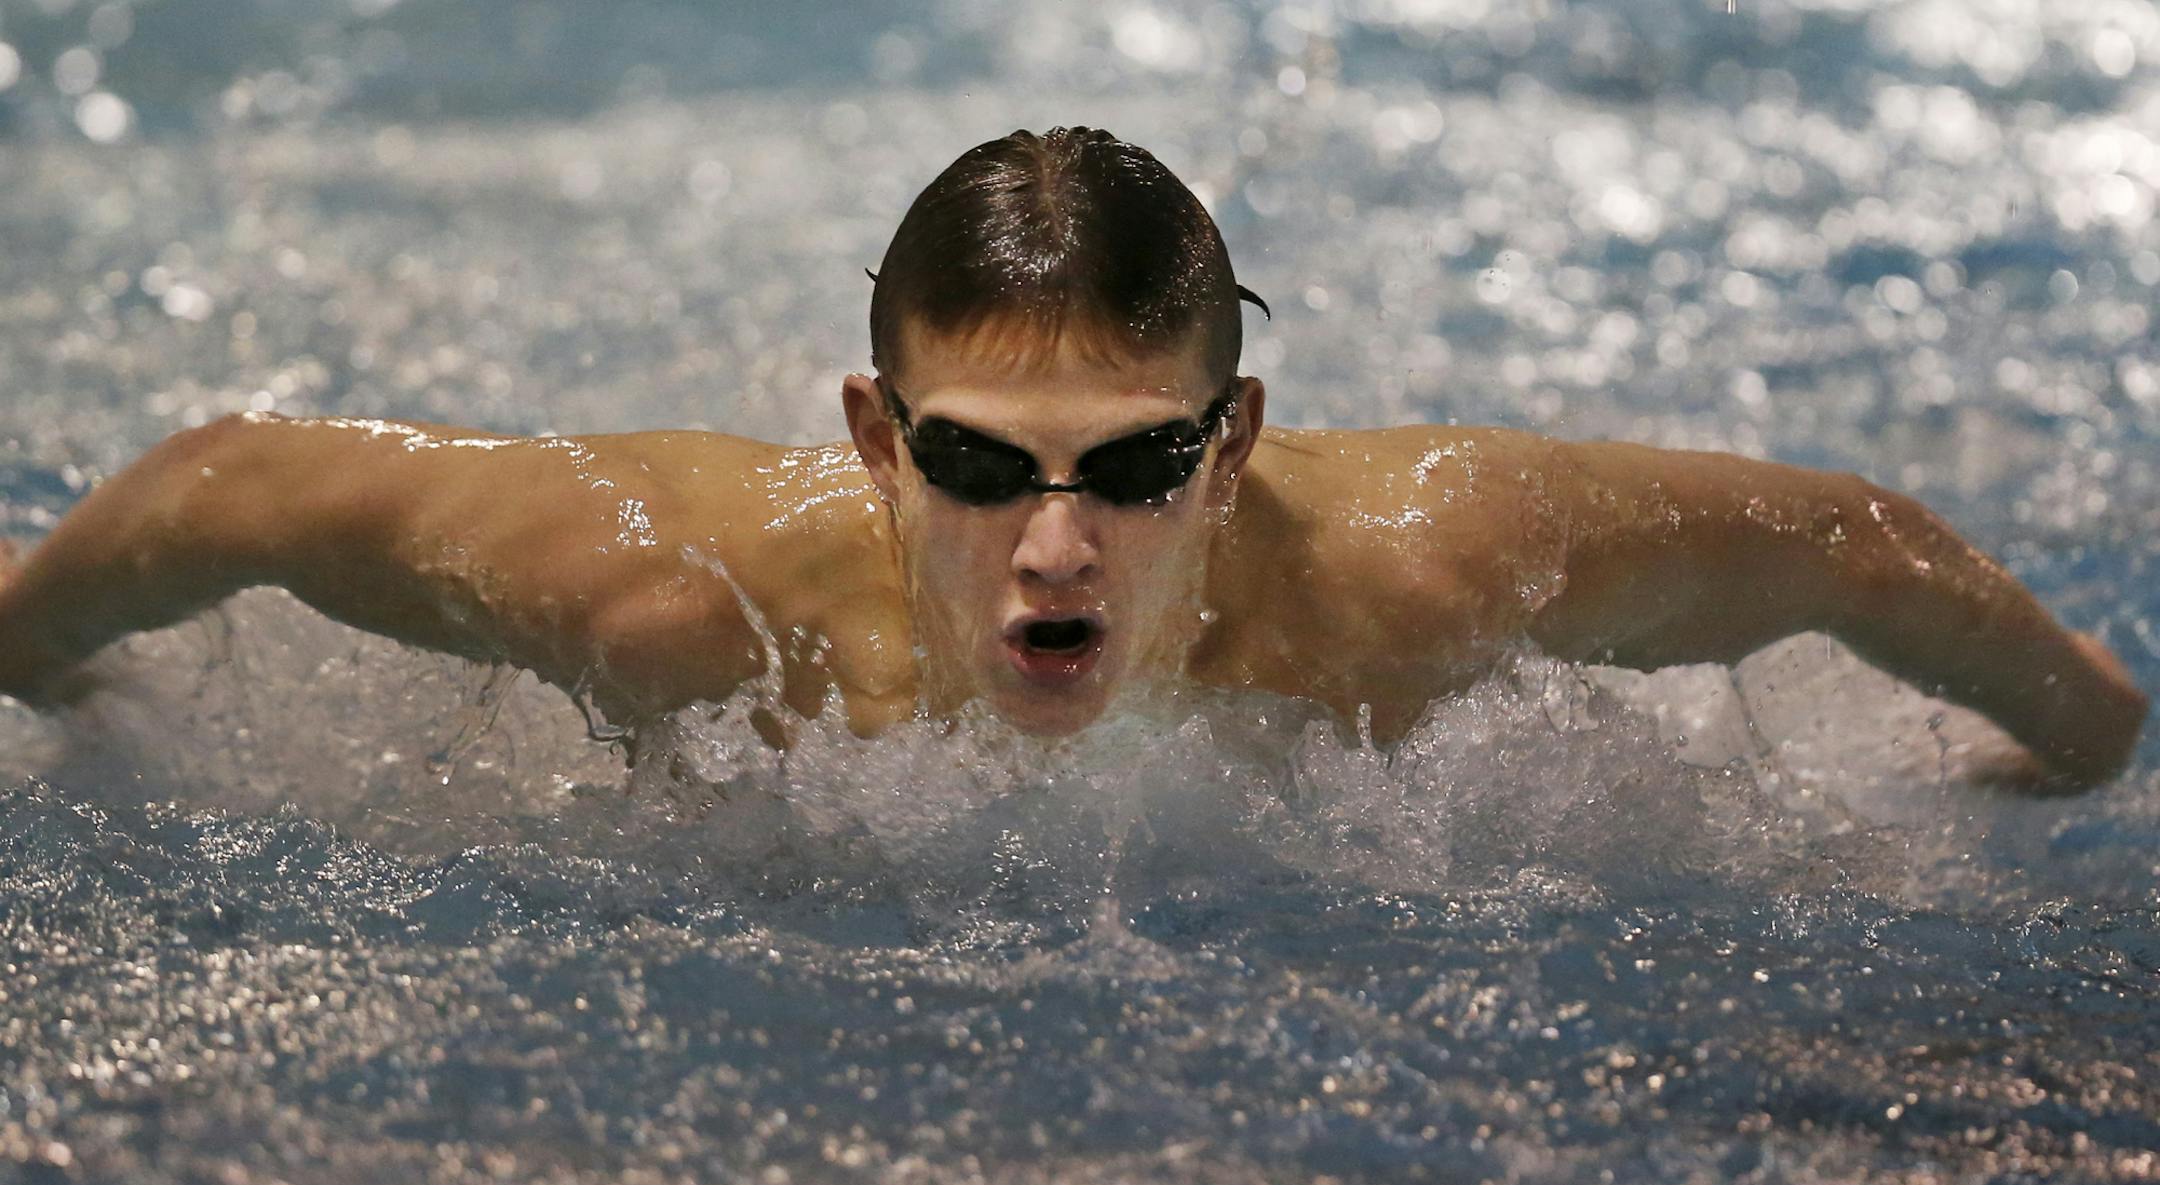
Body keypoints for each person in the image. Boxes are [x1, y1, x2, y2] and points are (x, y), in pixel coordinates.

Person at [0, 127, 2145, 790]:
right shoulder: (684, 596)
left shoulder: (1405, 583)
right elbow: (233, 482)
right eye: (975, 460)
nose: (1052, 549)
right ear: (870, 438)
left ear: (1232, 452)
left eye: (1130, 467)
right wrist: (28, 652)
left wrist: (2068, 762)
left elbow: (1862, 544)